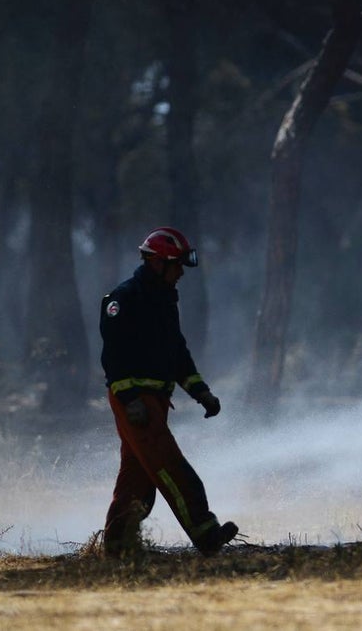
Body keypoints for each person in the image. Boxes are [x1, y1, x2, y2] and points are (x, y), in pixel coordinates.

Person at [100, 226, 238, 558]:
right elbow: (113, 356)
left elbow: (177, 353)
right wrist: (130, 400)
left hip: (158, 402)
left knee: (138, 480)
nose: (180, 274)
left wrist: (201, 392)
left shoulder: (164, 301)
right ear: (158, 263)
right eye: (176, 266)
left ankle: (117, 547)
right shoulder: (123, 299)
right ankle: (206, 533)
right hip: (137, 403)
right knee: (171, 466)